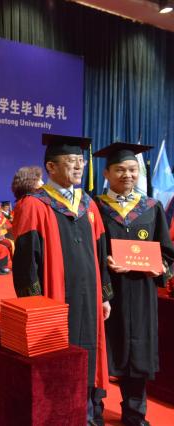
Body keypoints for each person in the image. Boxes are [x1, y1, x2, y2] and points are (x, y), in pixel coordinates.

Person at [12, 133, 111, 426]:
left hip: (89, 299)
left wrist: (105, 296)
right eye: (71, 161)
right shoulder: (34, 205)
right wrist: (35, 306)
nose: (79, 166)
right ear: (51, 167)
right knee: (57, 360)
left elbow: (102, 253)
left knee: (89, 354)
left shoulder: (89, 205)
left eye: (81, 161)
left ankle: (87, 415)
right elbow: (25, 263)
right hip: (54, 301)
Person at [93, 142, 174, 426]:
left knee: (139, 351)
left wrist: (160, 268)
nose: (127, 175)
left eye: (132, 169)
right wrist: (104, 263)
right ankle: (95, 411)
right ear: (107, 173)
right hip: (108, 291)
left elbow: (166, 251)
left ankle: (134, 413)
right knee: (104, 350)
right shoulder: (95, 207)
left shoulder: (151, 208)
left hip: (141, 293)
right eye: (120, 170)